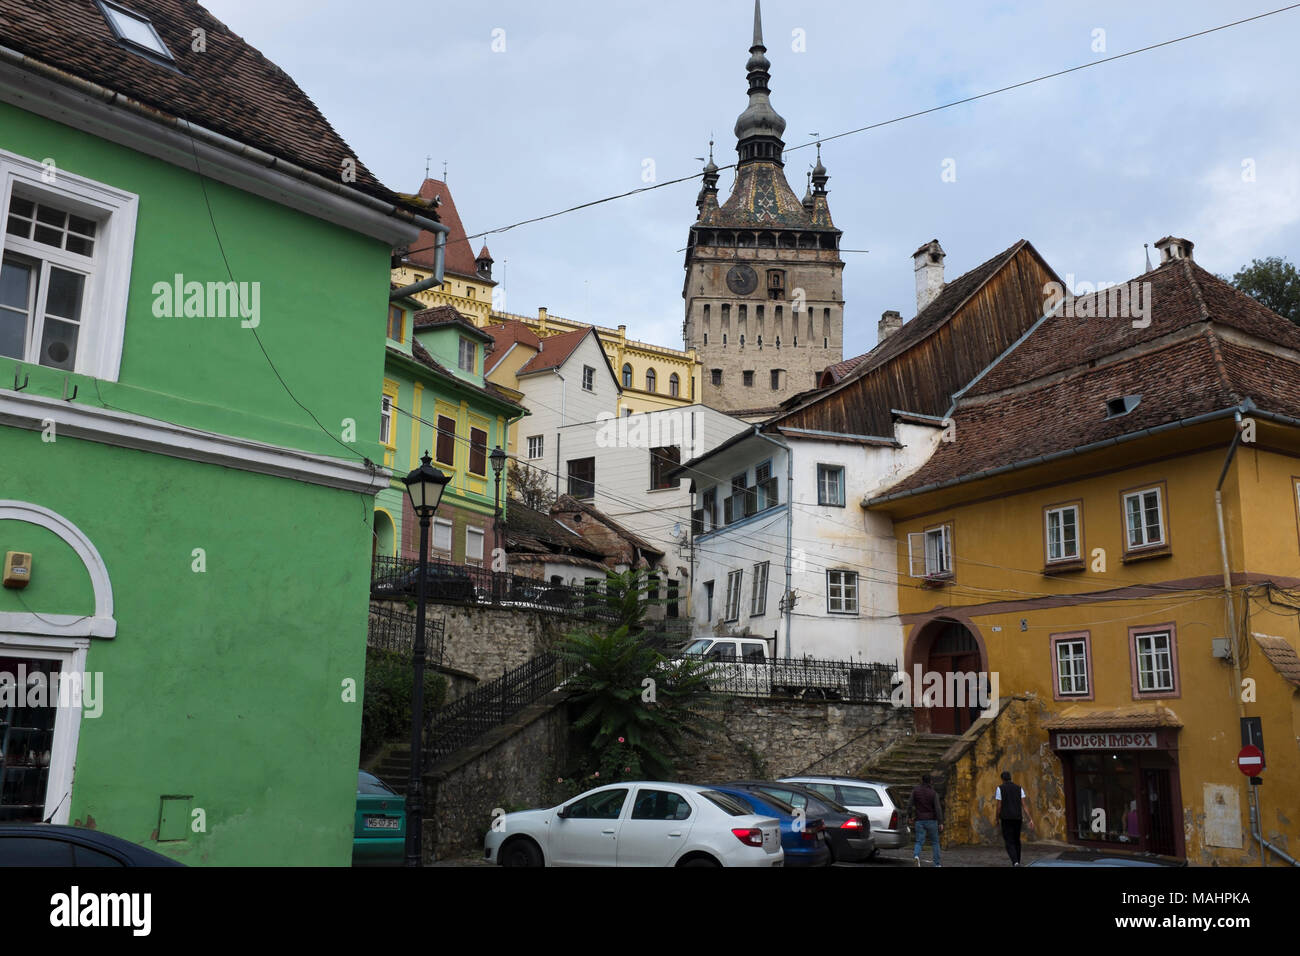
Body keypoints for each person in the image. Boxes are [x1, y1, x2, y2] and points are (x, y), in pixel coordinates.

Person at [994, 771, 1033, 865]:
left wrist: (996, 818)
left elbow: (999, 806)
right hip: (1017, 818)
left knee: (1009, 841)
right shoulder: (1019, 788)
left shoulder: (1000, 788)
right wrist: (1030, 819)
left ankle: (1015, 862)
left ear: (1002, 779)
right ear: (1010, 778)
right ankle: (1017, 861)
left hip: (1006, 818)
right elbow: (1024, 805)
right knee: (1016, 840)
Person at [908, 773, 943, 866]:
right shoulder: (933, 793)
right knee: (935, 842)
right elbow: (938, 808)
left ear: (921, 780)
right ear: (931, 781)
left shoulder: (915, 791)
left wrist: (910, 816)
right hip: (932, 820)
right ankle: (937, 864)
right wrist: (940, 822)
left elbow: (909, 805)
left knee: (919, 841)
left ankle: (916, 856)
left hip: (919, 820)